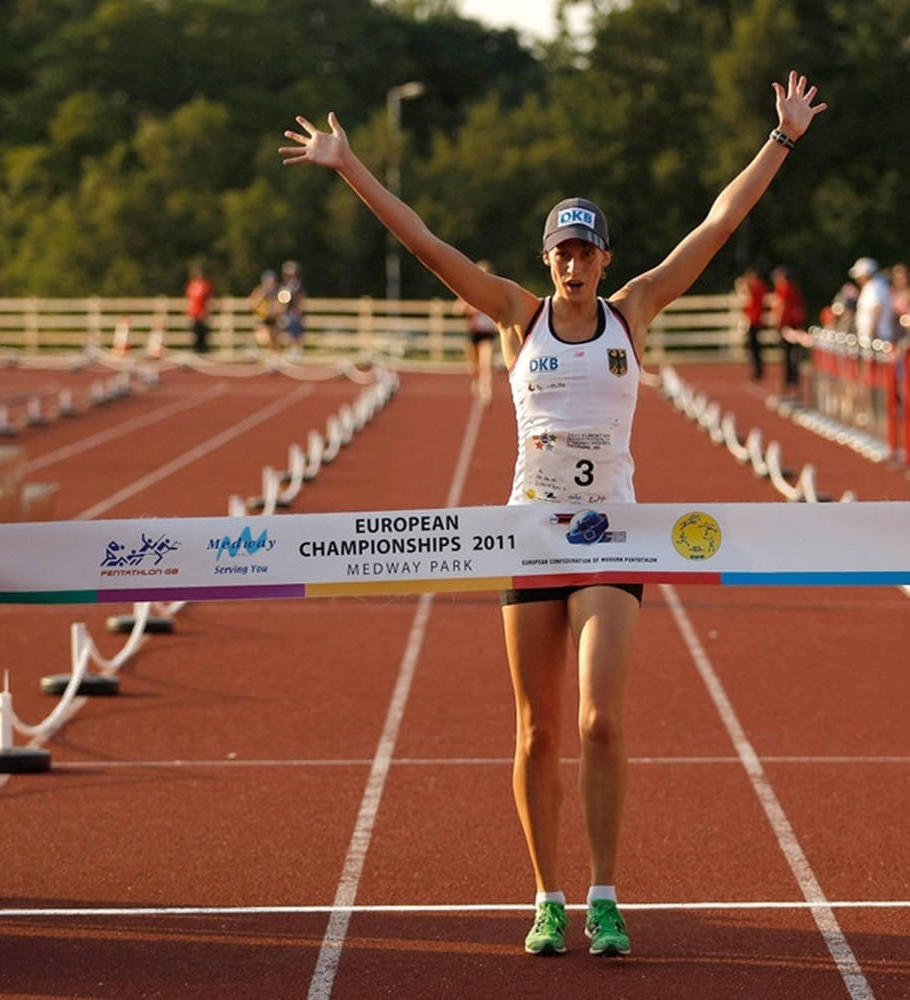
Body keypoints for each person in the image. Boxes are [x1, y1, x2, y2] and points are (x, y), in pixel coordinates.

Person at [282, 70, 826, 957]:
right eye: (562, 251)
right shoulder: (513, 316)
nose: (574, 263)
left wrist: (783, 139)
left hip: (612, 529)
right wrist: (348, 167)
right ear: (547, 259)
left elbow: (717, 226)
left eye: (586, 250)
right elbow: (424, 244)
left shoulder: (633, 311)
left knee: (596, 720)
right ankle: (546, 895)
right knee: (535, 728)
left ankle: (605, 896)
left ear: (605, 258)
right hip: (530, 533)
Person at [456, 260, 500, 404]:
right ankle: (476, 381)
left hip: (488, 334)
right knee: (474, 367)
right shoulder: (469, 291)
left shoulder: (495, 291)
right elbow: (457, 309)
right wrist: (471, 308)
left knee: (486, 365)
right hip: (474, 333)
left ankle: (487, 392)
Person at [770, 266, 808, 400]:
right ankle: (794, 387)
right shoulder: (794, 288)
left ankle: (788, 387)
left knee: (788, 357)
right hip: (796, 326)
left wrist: (778, 323)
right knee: (794, 357)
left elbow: (782, 306)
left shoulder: (784, 288)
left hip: (788, 326)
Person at [736, 267, 770, 381]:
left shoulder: (756, 287)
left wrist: (743, 285)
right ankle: (757, 371)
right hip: (753, 319)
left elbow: (746, 294)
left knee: (754, 348)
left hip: (754, 320)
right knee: (754, 348)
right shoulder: (759, 286)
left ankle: (757, 372)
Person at [184, 262, 215, 354]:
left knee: (203, 335)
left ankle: (204, 352)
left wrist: (207, 312)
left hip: (202, 313)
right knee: (195, 335)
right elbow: (189, 300)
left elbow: (210, 299)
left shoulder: (206, 285)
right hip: (194, 313)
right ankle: (197, 352)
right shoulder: (191, 285)